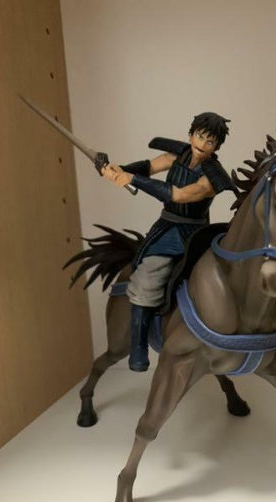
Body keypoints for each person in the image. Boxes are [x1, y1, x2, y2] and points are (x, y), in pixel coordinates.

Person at [101, 112, 235, 372]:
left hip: (192, 234)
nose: (202, 144)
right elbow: (149, 166)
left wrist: (132, 180)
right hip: (166, 228)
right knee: (147, 276)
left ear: (216, 146)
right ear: (191, 134)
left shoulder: (212, 177)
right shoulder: (178, 155)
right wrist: (118, 170)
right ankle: (138, 347)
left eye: (210, 141)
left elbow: (179, 195)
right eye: (200, 136)